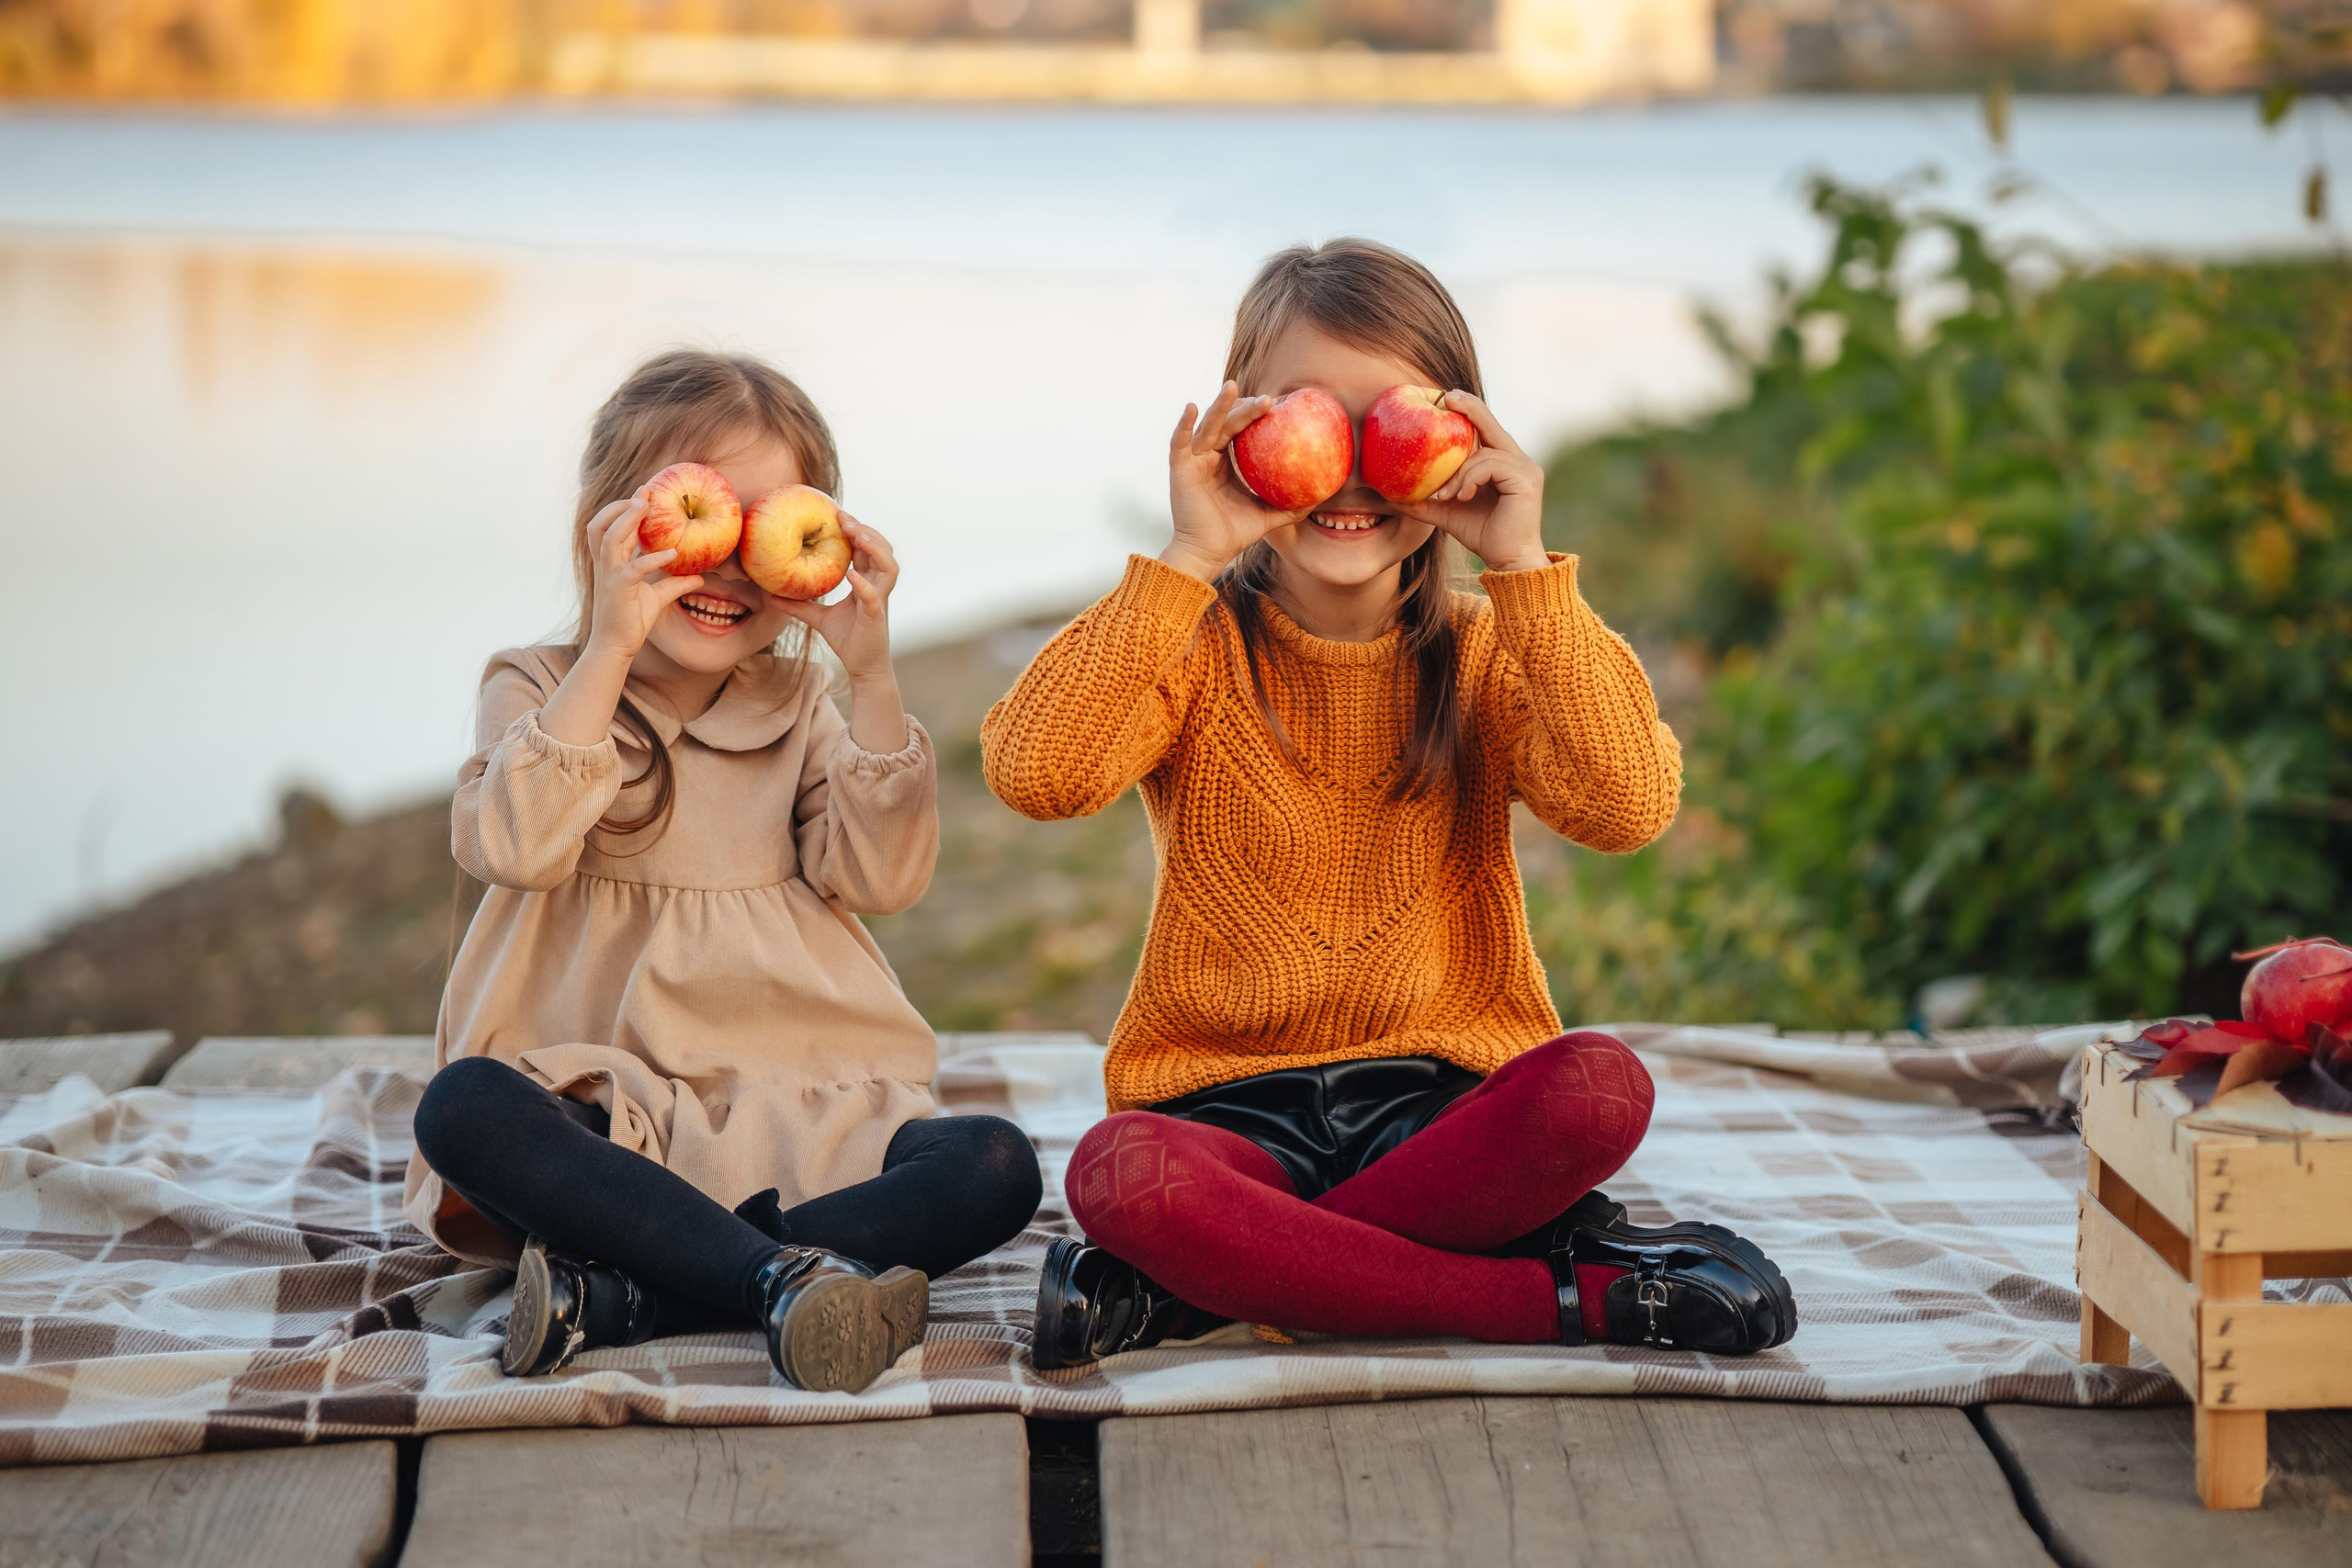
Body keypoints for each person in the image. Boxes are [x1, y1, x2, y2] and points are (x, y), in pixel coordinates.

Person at [982, 240, 1795, 1367]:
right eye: (1312, 419)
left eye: (1392, 426)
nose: (1355, 471)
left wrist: (1525, 571)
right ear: (1239, 430)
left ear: (1466, 434)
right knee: (1121, 1176)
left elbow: (1627, 806)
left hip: (1440, 1108)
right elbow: (1036, 774)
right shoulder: (1191, 642)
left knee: (1597, 1091)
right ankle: (1573, 1302)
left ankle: (1188, 1294)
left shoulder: (1493, 644)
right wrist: (1186, 556)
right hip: (1226, 1110)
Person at [405, 349, 1042, 1393]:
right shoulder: (541, 686)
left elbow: (881, 878)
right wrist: (610, 649)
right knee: (463, 1108)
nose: (732, 566)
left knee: (994, 1165)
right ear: (609, 529)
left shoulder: (798, 707)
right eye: (703, 520)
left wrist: (870, 673)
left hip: (791, 1104)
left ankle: (645, 1296)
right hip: (607, 1114)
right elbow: (516, 848)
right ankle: (781, 1276)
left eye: (765, 531)